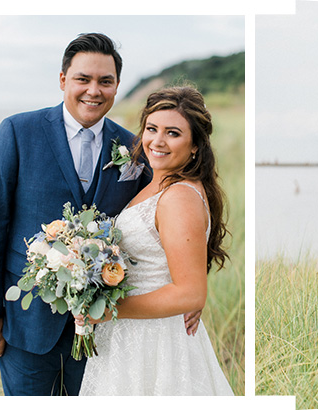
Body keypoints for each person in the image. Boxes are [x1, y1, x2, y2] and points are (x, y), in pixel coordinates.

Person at [0, 32, 154, 396]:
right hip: (27, 326)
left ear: (116, 86)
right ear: (63, 79)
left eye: (105, 81)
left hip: (105, 330)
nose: (93, 91)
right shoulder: (18, 132)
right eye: (83, 79)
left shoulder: (133, 149)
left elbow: (156, 221)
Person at [75, 86, 234, 395]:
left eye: (172, 133)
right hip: (134, 333)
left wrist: (111, 309)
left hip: (156, 342)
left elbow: (190, 294)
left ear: (195, 147)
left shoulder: (179, 198)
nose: (157, 141)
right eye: (151, 129)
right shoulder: (158, 182)